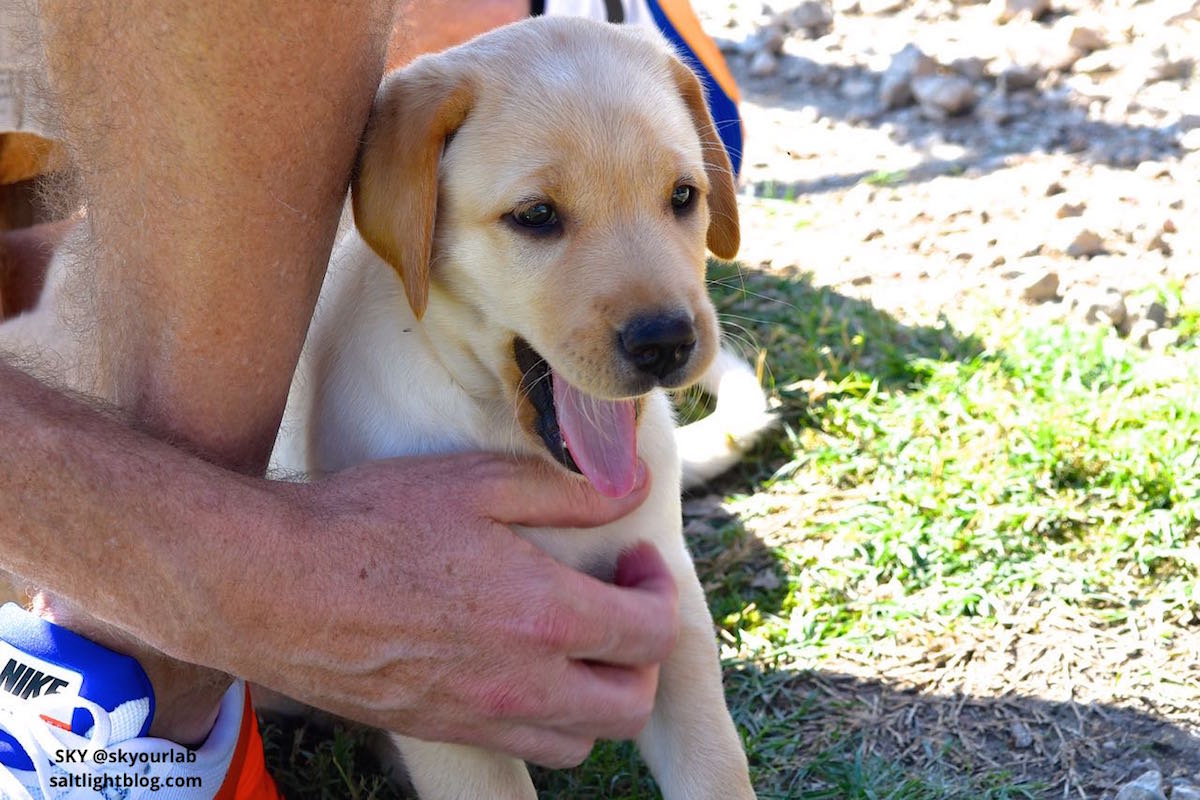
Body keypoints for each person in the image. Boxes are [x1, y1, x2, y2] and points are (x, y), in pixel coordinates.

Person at [0, 1, 740, 796]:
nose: (658, 313)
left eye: (680, 198)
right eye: (537, 216)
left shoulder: (614, 406)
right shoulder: (374, 397)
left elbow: (674, 630)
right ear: (407, 204)